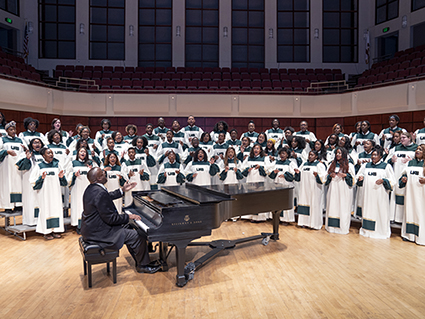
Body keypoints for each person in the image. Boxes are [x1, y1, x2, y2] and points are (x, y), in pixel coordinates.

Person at [81, 167, 160, 273]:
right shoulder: (99, 192)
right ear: (98, 179)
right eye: (103, 174)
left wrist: (122, 190)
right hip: (100, 234)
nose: (105, 175)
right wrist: (128, 217)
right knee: (136, 236)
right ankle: (143, 265)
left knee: (129, 227)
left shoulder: (91, 189)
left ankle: (140, 260)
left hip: (92, 230)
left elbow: (107, 197)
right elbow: (110, 219)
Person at [356, 147, 395, 239]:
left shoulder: (386, 166)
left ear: (381, 156)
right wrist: (360, 178)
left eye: (376, 155)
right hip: (367, 195)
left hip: (380, 195)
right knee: (367, 211)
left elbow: (392, 181)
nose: (373, 156)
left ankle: (380, 231)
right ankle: (367, 231)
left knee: (379, 212)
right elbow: (358, 176)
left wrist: (383, 180)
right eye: (372, 155)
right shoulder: (365, 166)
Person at [30, 147, 68, 239]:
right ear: (43, 156)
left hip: (55, 192)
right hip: (44, 193)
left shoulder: (57, 165)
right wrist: (41, 178)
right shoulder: (39, 166)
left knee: (56, 210)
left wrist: (61, 177)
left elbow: (64, 182)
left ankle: (56, 230)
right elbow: (32, 181)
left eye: (51, 153)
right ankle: (46, 232)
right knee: (46, 210)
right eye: (48, 153)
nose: (51, 154)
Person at [387, 132, 417, 223]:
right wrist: (391, 160)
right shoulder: (395, 148)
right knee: (394, 196)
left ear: (409, 138)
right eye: (401, 138)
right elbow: (386, 161)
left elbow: (421, 160)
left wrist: (412, 161)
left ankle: (403, 219)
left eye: (404, 137)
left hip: (408, 177)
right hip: (396, 175)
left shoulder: (416, 148)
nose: (401, 139)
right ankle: (393, 217)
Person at [324, 148, 355, 235]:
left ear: (344, 154)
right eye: (337, 153)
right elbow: (326, 177)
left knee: (343, 207)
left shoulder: (350, 165)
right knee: (332, 206)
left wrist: (345, 175)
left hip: (344, 188)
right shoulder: (332, 164)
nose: (337, 154)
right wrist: (330, 175)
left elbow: (353, 179)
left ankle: (342, 228)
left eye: (340, 153)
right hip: (333, 188)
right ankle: (331, 227)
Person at [399, 145, 425, 244]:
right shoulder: (410, 163)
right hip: (410, 193)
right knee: (410, 211)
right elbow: (403, 174)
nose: (417, 151)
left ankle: (421, 236)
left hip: (422, 194)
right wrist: (404, 178)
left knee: (421, 213)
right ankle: (409, 235)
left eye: (421, 149)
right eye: (417, 149)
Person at [294, 150, 326, 229]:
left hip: (314, 188)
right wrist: (298, 173)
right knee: (304, 203)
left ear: (316, 156)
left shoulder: (319, 165)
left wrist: (317, 176)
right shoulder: (304, 164)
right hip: (304, 188)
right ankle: (304, 222)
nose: (310, 156)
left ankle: (314, 224)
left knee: (314, 204)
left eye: (312, 155)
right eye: (309, 155)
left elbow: (323, 177)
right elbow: (300, 174)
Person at [16, 138, 45, 226]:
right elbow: (21, 167)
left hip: (42, 182)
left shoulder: (44, 155)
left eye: (39, 142)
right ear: (31, 145)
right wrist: (27, 159)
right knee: (31, 201)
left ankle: (41, 221)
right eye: (35, 142)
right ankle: (31, 221)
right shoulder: (24, 155)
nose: (37, 144)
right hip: (30, 183)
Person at [67, 147, 97, 229]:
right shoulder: (73, 163)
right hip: (77, 188)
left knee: (88, 206)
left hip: (88, 188)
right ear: (78, 153)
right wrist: (74, 175)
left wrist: (92, 171)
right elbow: (68, 175)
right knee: (78, 206)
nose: (83, 153)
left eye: (84, 151)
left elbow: (97, 174)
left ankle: (89, 226)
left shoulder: (91, 163)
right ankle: (79, 226)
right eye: (81, 151)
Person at [0, 121, 24, 213]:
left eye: (14, 129)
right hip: (7, 167)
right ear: (6, 131)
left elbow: (23, 152)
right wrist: (6, 152)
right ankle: (8, 206)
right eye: (11, 129)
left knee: (18, 185)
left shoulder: (20, 140)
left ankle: (18, 205)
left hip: (17, 167)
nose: (13, 131)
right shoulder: (2, 140)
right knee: (7, 185)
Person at [268, 148, 296, 223]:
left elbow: (294, 175)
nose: (282, 155)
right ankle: (276, 218)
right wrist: (274, 172)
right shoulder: (275, 162)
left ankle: (286, 219)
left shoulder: (290, 163)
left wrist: (285, 175)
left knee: (285, 201)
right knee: (276, 201)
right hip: (277, 184)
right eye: (281, 153)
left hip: (286, 185)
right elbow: (270, 174)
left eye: (284, 153)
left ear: (287, 155)